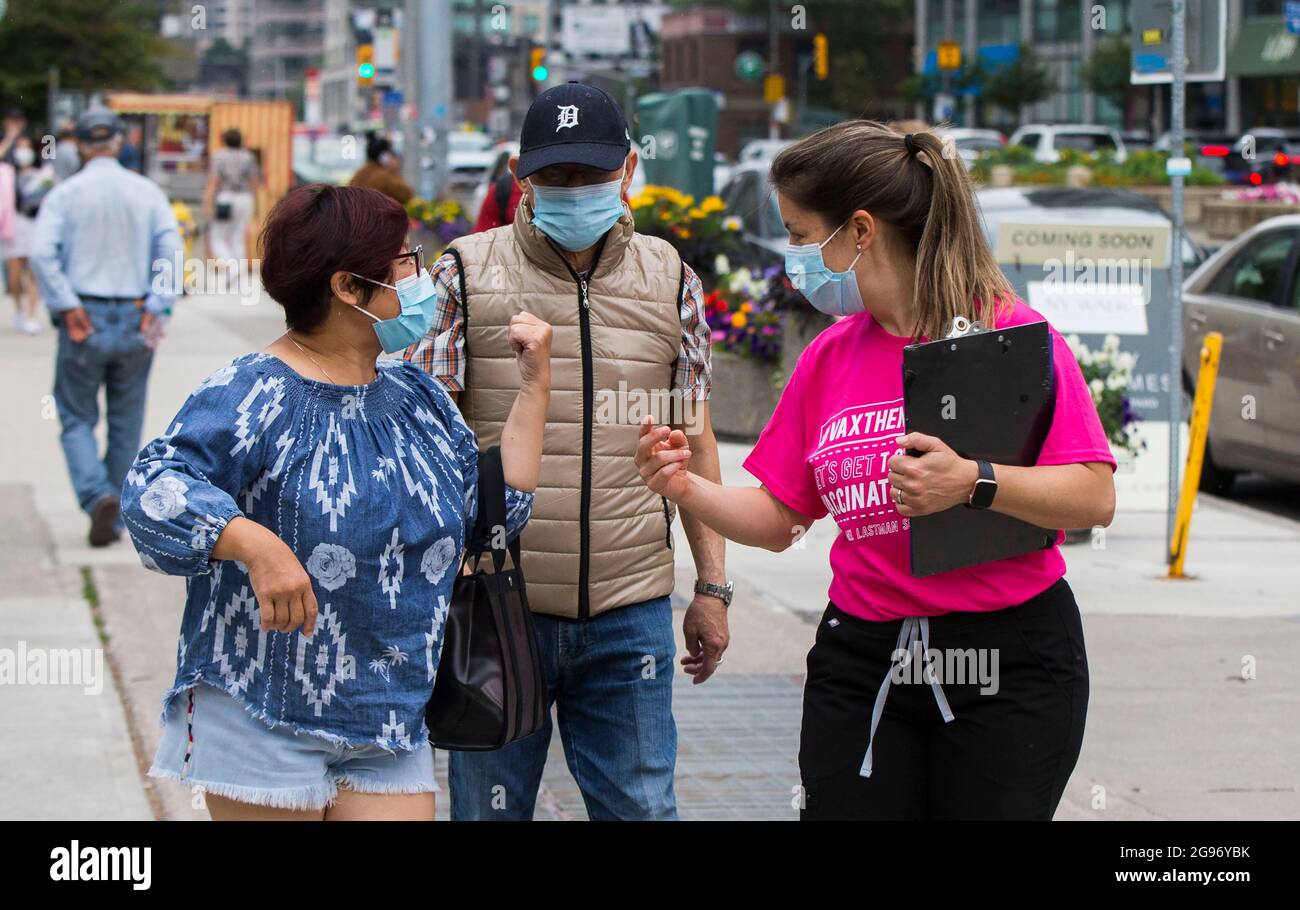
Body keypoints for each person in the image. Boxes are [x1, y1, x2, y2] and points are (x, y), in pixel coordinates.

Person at [634, 121, 1117, 821]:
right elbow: (779, 518)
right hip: (865, 657)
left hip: (1008, 659)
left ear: (860, 231)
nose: (794, 258)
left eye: (801, 235)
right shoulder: (830, 356)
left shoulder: (1006, 336)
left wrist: (974, 481)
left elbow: (1094, 496)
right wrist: (686, 486)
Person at [121, 184, 553, 821]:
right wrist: (255, 544)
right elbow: (152, 492)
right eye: (404, 262)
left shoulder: (419, 398)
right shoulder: (252, 392)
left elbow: (493, 517)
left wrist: (535, 387)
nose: (420, 277)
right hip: (263, 712)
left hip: (392, 718)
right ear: (348, 288)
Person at [405, 81, 730, 821]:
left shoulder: (669, 278)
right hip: (496, 607)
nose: (575, 190)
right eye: (555, 175)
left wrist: (712, 586)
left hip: (629, 611)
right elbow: (426, 441)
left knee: (642, 809)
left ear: (629, 169)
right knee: (488, 812)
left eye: (592, 173)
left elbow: (695, 439)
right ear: (520, 175)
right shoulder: (464, 274)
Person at [30, 108, 183, 547]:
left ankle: (96, 495)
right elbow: (172, 250)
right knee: (126, 418)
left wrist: (66, 304)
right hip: (135, 313)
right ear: (119, 142)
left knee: (76, 414)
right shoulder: (147, 192)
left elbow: (41, 253)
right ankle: (115, 510)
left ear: (79, 144)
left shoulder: (65, 194)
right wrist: (157, 305)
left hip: (85, 315)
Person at [4, 135, 56, 334]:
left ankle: (31, 316)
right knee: (15, 276)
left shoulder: (43, 174)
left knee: (33, 272)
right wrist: (10, 136)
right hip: (14, 226)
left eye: (26, 146)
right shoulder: (7, 173)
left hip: (35, 224)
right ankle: (19, 309)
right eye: (20, 147)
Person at [203, 127, 260, 265]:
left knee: (217, 237)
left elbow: (214, 181)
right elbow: (254, 182)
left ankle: (231, 266)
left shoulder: (219, 156)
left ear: (224, 141)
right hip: (245, 199)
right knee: (238, 237)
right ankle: (238, 269)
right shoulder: (249, 157)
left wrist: (207, 202)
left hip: (225, 198)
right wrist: (256, 207)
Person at [349, 134, 413, 205]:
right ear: (384, 157)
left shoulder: (358, 174)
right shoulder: (385, 176)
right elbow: (407, 195)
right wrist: (395, 171)